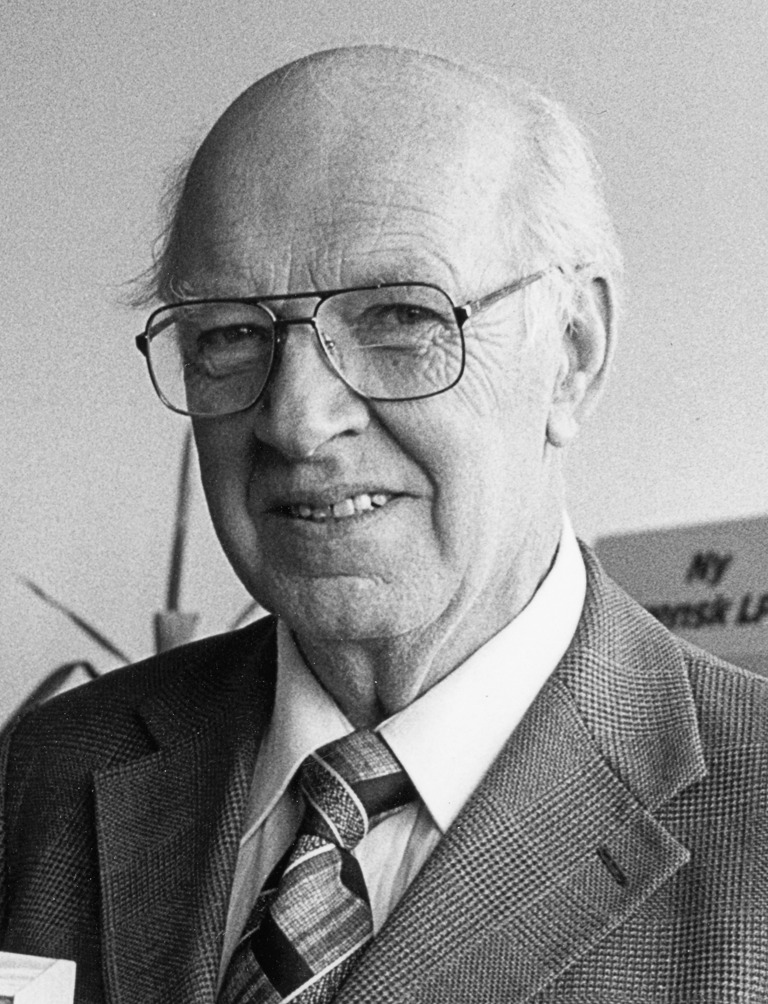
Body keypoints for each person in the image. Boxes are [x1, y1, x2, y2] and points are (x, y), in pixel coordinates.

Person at [1, 45, 766, 1004]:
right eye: (229, 333)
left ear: (573, 353)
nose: (296, 419)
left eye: (400, 316)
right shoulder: (47, 773)